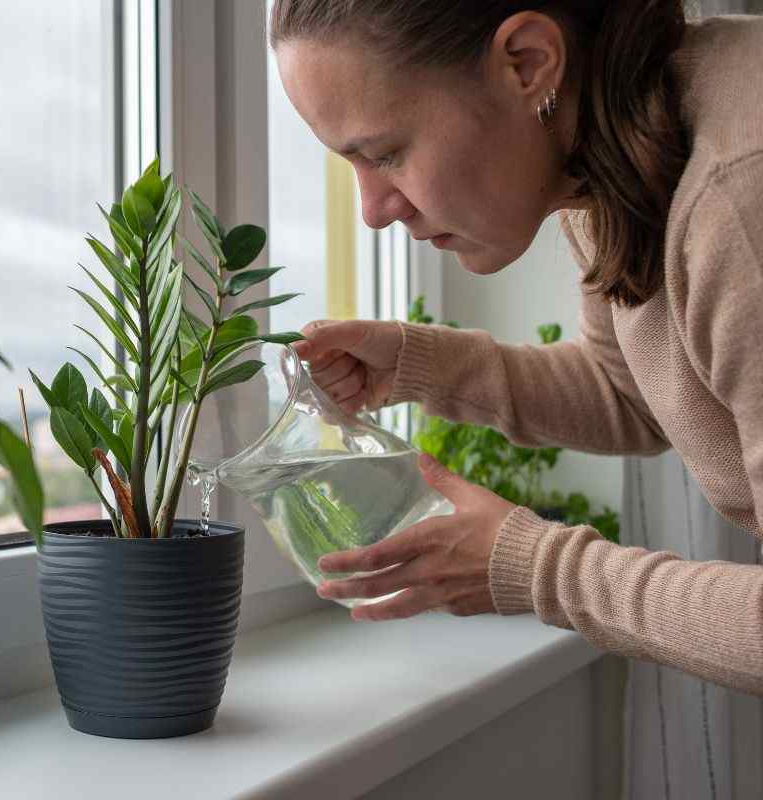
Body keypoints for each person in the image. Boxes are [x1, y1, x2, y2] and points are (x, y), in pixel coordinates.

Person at [273, 0, 763, 694]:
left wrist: (539, 568)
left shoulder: (739, 195)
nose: (374, 210)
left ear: (528, 64)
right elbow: (639, 394)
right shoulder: (611, 149)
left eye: (386, 153)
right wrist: (419, 363)